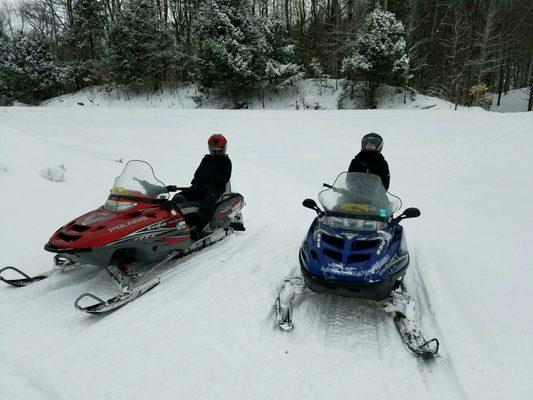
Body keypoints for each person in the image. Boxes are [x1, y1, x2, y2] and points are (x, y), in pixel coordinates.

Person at [168, 134, 232, 233]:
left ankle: (200, 227)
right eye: (214, 149)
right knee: (180, 196)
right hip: (201, 187)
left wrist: (210, 185)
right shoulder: (206, 160)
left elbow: (224, 177)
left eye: (219, 149)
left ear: (223, 148)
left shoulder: (226, 162)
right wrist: (196, 183)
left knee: (207, 202)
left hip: (217, 189)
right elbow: (198, 173)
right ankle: (174, 222)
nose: (216, 152)